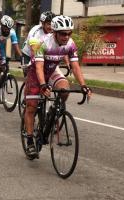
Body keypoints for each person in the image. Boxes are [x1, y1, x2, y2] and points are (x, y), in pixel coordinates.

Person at [23, 15, 92, 157]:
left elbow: (75, 66)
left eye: (69, 33)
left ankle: (53, 111)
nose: (66, 37)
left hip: (53, 70)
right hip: (36, 72)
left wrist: (84, 85)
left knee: (64, 89)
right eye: (63, 33)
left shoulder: (70, 44)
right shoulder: (42, 42)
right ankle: (30, 141)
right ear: (54, 32)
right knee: (31, 106)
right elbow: (39, 67)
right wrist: (43, 85)